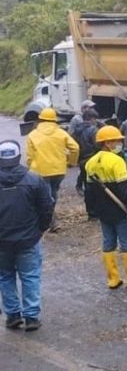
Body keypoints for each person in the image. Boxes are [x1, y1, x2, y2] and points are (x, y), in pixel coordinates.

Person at [85, 126, 127, 289]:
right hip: (120, 210)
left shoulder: (90, 163)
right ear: (107, 143)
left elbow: (89, 192)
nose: (119, 143)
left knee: (108, 243)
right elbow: (124, 190)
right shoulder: (117, 161)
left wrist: (93, 212)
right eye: (116, 141)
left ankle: (113, 279)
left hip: (103, 211)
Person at [0, 140, 53, 331]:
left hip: (2, 242)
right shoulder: (34, 179)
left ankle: (13, 315)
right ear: (18, 156)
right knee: (30, 276)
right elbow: (46, 207)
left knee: (5, 276)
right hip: (29, 238)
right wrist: (40, 229)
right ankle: (31, 317)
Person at [25, 107, 79, 232]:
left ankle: (51, 222)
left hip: (40, 171)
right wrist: (71, 161)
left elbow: (29, 156)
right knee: (52, 195)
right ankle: (51, 219)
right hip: (58, 170)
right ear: (55, 120)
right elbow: (75, 148)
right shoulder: (61, 133)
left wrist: (30, 167)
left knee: (46, 197)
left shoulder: (33, 135)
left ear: (40, 119)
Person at [71, 108, 101, 218]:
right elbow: (97, 145)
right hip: (92, 159)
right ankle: (97, 211)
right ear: (91, 119)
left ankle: (90, 213)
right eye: (95, 119)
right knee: (96, 186)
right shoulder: (93, 130)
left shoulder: (76, 130)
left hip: (82, 160)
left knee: (87, 187)